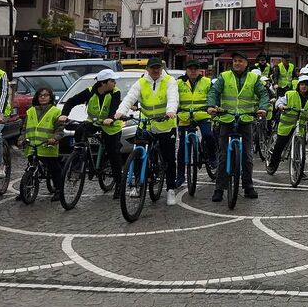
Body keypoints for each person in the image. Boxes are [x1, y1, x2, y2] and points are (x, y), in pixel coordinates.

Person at [115, 57, 179, 205]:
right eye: (152, 68)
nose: (155, 70)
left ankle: (170, 189)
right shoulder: (141, 82)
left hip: (165, 124)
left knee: (169, 158)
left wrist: (170, 110)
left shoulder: (169, 81)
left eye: (158, 67)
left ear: (162, 68)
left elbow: (173, 98)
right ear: (148, 69)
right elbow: (130, 98)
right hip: (146, 124)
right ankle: (137, 184)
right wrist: (120, 111)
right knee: (138, 153)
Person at [206, 51, 269, 201]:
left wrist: (263, 108)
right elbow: (213, 91)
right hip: (226, 119)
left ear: (246, 63)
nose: (237, 63)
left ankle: (248, 186)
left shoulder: (254, 78)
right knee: (223, 155)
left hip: (246, 119)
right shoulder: (224, 76)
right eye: (235, 61)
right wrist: (211, 105)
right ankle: (219, 189)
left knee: (247, 156)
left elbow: (263, 94)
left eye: (240, 61)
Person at [59, 69, 124, 198]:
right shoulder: (90, 91)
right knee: (79, 131)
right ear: (103, 83)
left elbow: (115, 108)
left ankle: (118, 184)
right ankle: (81, 157)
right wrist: (64, 114)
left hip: (110, 125)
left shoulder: (115, 92)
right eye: (112, 81)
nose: (115, 83)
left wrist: (111, 118)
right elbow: (71, 101)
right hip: (93, 122)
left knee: (114, 154)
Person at [175, 60, 217, 188]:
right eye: (190, 69)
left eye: (195, 69)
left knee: (208, 135)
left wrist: (211, 106)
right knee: (182, 148)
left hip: (202, 115)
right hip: (185, 116)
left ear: (199, 70)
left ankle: (212, 157)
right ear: (186, 70)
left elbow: (212, 96)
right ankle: (180, 176)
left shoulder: (207, 82)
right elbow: (173, 98)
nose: (193, 71)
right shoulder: (178, 83)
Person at [267, 75, 308, 175]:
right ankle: (272, 164)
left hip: (300, 127)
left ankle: (299, 169)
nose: (304, 87)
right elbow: (279, 101)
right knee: (279, 146)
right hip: (286, 127)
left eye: (306, 85)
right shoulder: (290, 94)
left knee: (299, 149)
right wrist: (281, 106)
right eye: (302, 84)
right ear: (298, 85)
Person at [21, 87, 65, 202]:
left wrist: (54, 138)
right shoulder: (30, 111)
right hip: (33, 146)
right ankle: (26, 191)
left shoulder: (56, 111)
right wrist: (21, 138)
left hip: (47, 146)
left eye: (46, 95)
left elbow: (60, 129)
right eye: (40, 95)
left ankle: (59, 190)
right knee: (30, 167)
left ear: (50, 97)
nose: (43, 97)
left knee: (54, 168)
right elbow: (24, 128)